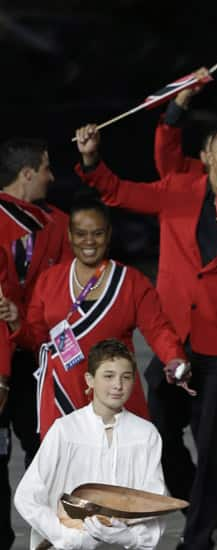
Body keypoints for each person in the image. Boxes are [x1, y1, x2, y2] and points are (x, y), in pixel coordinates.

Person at [73, 120, 217, 549]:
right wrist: (91, 159)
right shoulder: (178, 191)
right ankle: (201, 497)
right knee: (158, 429)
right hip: (175, 337)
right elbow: (117, 190)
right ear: (205, 156)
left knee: (214, 443)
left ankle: (198, 536)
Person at [0, 197, 186, 436]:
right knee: (68, 472)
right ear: (69, 235)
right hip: (62, 399)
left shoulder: (131, 282)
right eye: (80, 234)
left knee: (116, 472)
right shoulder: (49, 281)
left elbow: (158, 329)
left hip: (114, 398)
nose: (89, 241)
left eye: (97, 234)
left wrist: (174, 358)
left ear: (108, 234)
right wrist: (16, 320)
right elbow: (36, 340)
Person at [14, 339, 167, 550]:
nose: (118, 385)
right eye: (108, 376)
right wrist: (67, 537)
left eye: (126, 377)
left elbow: (154, 502)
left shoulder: (145, 434)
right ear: (90, 380)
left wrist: (129, 538)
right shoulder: (66, 430)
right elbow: (27, 496)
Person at [0, 137, 72, 550]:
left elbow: (65, 292)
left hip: (38, 356)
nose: (51, 176)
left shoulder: (57, 224)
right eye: (46, 168)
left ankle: (43, 536)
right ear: (27, 173)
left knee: (43, 449)